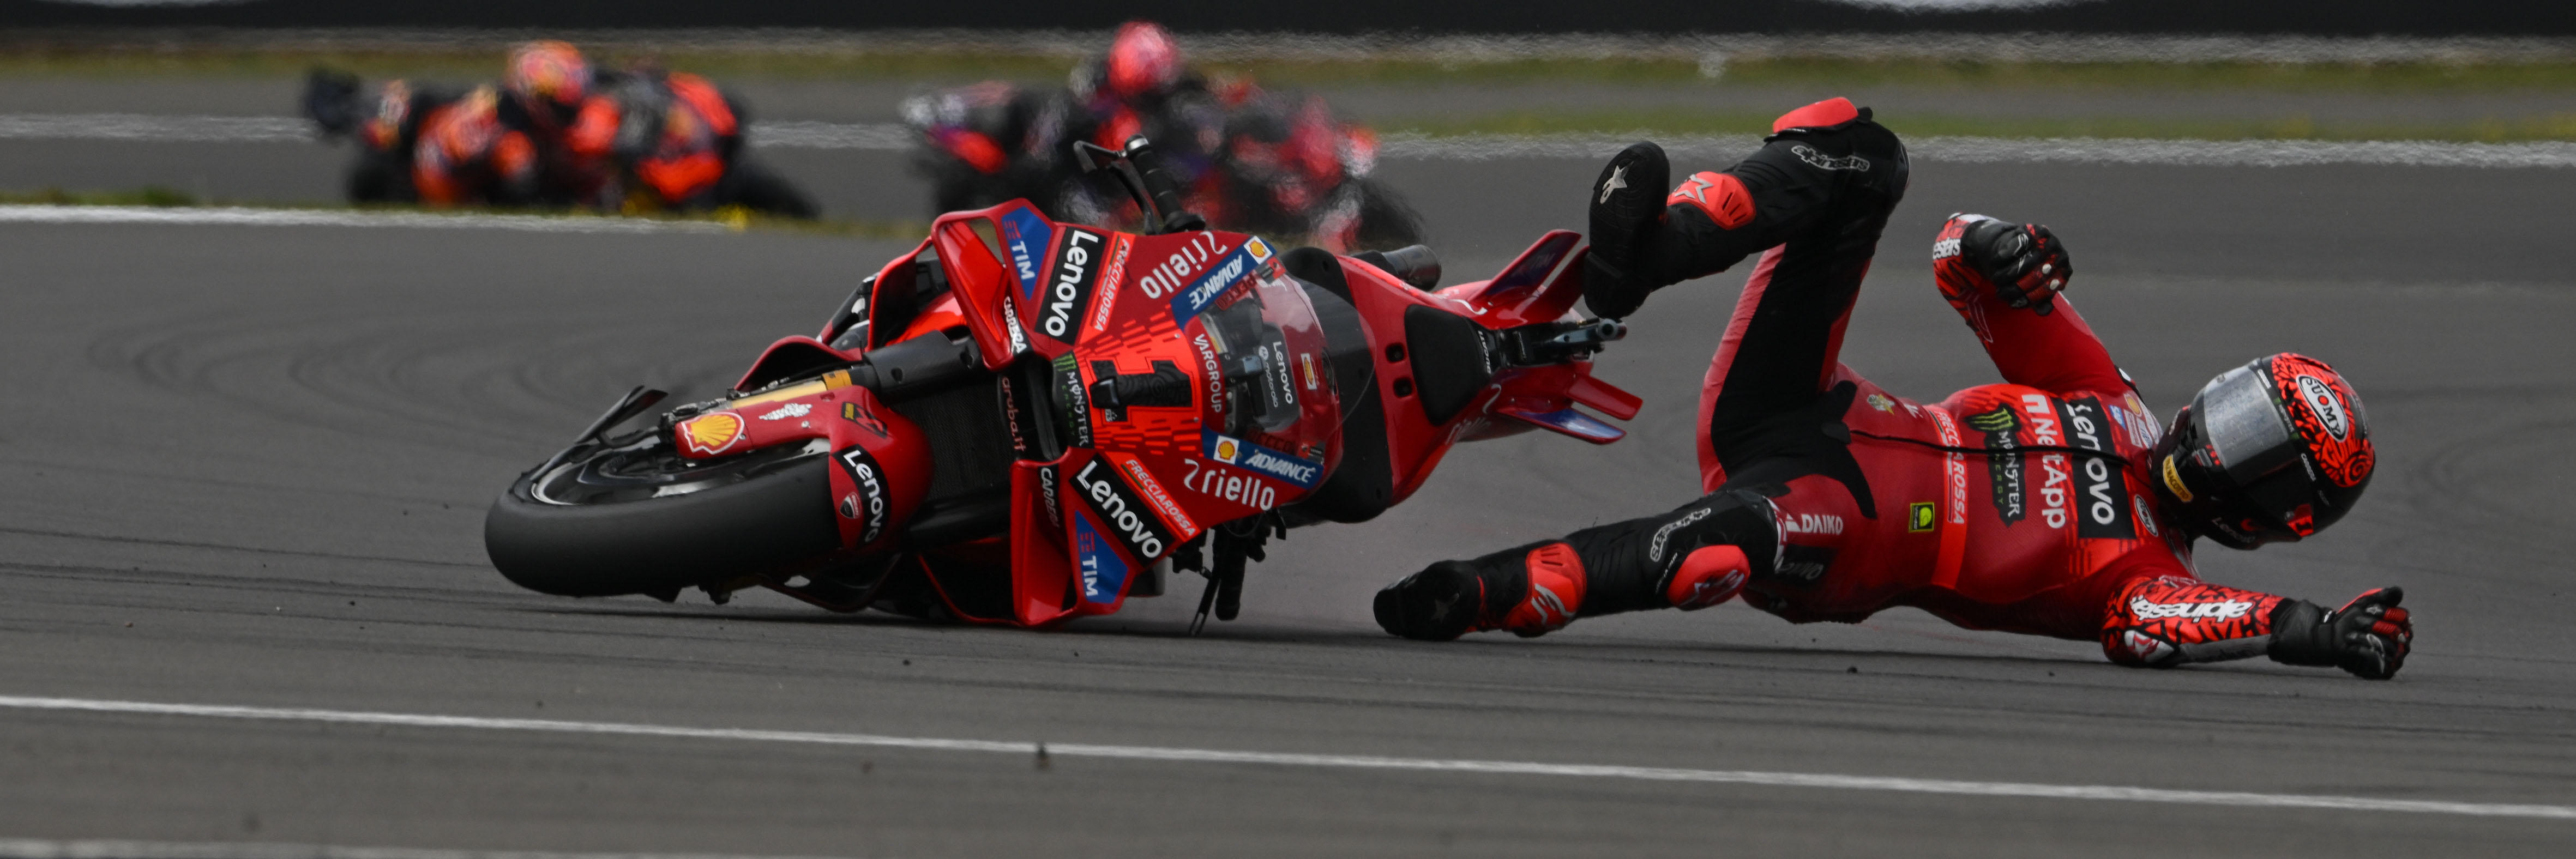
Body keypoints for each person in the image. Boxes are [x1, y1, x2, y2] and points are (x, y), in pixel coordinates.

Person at [1370, 98, 2414, 679]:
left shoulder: (2144, 573)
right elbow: (1961, 261)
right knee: (1863, 149)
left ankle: (1486, 589)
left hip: (1840, 523)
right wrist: (2010, 247)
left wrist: (2309, 631)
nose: (2219, 437)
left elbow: (2159, 632)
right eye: (2238, 406)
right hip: (1805, 406)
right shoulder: (2116, 402)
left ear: (2279, 510)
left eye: (2255, 446)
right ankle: (1651, 252)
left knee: (1716, 552)